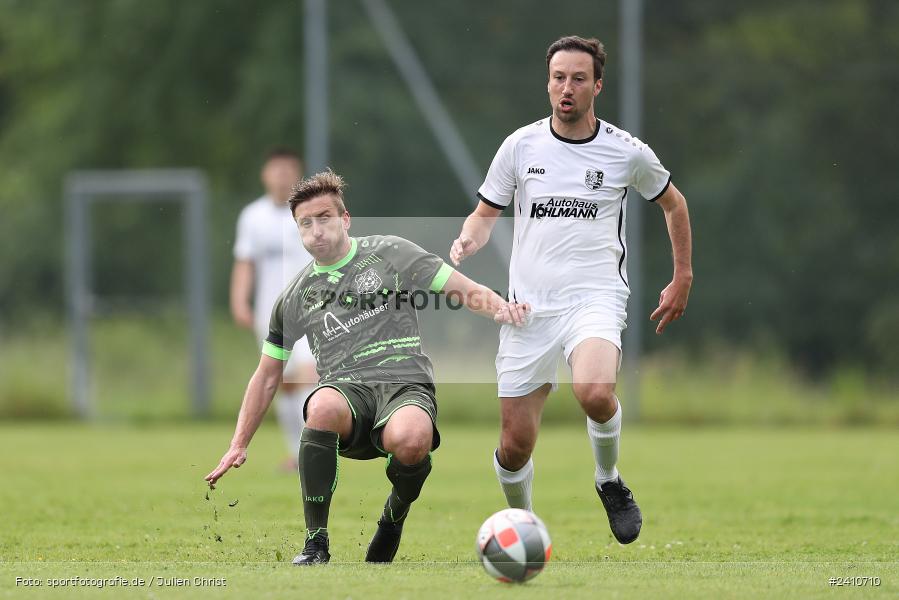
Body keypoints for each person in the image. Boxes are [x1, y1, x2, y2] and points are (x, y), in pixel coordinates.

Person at [207, 170, 528, 565]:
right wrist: (239, 443)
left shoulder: (391, 252)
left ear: (345, 219)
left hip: (405, 384)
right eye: (305, 224)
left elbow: (462, 288)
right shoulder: (295, 296)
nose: (316, 231)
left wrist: (503, 309)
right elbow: (267, 375)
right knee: (321, 406)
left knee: (412, 439)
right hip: (346, 391)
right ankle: (315, 543)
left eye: (324, 218)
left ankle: (393, 517)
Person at [450, 35, 693, 545]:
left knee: (595, 391)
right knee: (514, 446)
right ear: (547, 83)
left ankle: (609, 479)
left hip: (595, 298)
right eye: (559, 77)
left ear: (597, 86)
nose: (567, 87)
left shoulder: (626, 151)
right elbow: (484, 214)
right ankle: (526, 528)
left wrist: (682, 275)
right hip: (528, 310)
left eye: (579, 79)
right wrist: (469, 238)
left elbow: (674, 204)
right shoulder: (521, 146)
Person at [230, 147, 317, 470]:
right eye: (276, 169)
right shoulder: (252, 216)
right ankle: (298, 453)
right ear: (265, 175)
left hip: (311, 308)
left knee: (310, 375)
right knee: (284, 383)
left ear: (298, 174)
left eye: (288, 169)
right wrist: (240, 300)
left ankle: (316, 449)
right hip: (271, 313)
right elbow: (245, 262)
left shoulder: (312, 212)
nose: (282, 176)